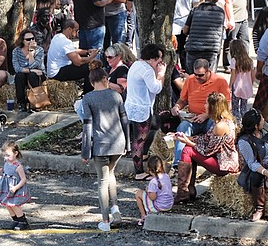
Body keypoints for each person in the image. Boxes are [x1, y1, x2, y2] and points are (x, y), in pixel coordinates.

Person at [81, 60, 130, 232]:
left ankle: (105, 220)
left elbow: (87, 126)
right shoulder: (116, 96)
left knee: (102, 181)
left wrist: (85, 151)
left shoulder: (87, 99)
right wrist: (128, 143)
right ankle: (115, 208)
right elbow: (125, 121)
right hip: (118, 142)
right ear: (105, 78)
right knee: (111, 175)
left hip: (101, 145)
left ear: (91, 81)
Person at [175, 92, 239, 203]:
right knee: (189, 150)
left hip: (223, 164)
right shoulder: (220, 121)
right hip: (218, 158)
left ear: (213, 107)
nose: (204, 106)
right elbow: (205, 139)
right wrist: (187, 137)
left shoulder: (220, 126)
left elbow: (207, 151)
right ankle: (188, 190)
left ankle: (183, 193)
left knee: (188, 150)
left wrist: (188, 142)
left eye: (206, 103)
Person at [170, 59, 231, 168]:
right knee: (182, 128)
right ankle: (178, 164)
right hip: (193, 118)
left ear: (208, 71)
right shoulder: (190, 80)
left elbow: (227, 106)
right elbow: (183, 99)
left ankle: (211, 160)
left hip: (211, 118)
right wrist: (177, 107)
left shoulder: (220, 81)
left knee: (215, 127)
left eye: (200, 75)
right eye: (195, 74)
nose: (197, 78)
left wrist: (207, 115)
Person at [124, 44, 166, 179]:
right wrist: (161, 75)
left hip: (133, 105)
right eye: (159, 59)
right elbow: (156, 88)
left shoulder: (136, 65)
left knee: (154, 126)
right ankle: (139, 172)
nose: (160, 62)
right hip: (141, 108)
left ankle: (144, 153)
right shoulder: (147, 70)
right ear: (152, 59)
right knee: (139, 140)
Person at [0, 141, 31, 230]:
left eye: (8, 155)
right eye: (4, 155)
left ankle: (23, 222)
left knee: (14, 205)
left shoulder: (18, 166)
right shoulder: (7, 163)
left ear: (16, 153)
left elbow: (23, 179)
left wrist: (15, 187)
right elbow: (5, 170)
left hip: (15, 188)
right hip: (7, 187)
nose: (6, 158)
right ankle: (15, 220)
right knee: (7, 204)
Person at [46, 20, 97, 93]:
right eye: (76, 30)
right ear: (69, 29)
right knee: (89, 67)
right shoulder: (66, 42)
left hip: (53, 71)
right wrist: (91, 57)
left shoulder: (57, 36)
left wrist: (86, 52)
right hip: (57, 73)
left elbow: (72, 51)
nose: (76, 34)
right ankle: (88, 93)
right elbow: (78, 62)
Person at [220, 0, 253, 72]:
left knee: (244, 40)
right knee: (231, 41)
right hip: (234, 16)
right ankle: (228, 64)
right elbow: (227, 0)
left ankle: (244, 61)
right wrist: (230, 19)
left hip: (243, 16)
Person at [183, 0, 226, 74]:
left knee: (192, 76)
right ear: (217, 0)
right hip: (211, 49)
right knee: (210, 76)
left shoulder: (195, 10)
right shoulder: (220, 12)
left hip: (194, 48)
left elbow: (185, 30)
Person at [12, 29, 46, 112]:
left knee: (32, 76)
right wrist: (31, 70)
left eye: (32, 38)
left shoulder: (39, 50)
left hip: (38, 74)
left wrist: (31, 52)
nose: (31, 41)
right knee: (19, 76)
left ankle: (34, 104)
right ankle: (22, 103)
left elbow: (35, 65)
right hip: (28, 73)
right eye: (28, 39)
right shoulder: (16, 51)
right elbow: (17, 68)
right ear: (22, 41)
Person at [173, 0, 200, 70]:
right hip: (185, 21)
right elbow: (195, 4)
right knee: (183, 49)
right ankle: (185, 71)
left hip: (175, 22)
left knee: (174, 50)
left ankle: (175, 71)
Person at [135, 156, 174, 226]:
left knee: (138, 194)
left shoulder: (153, 181)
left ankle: (143, 215)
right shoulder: (166, 176)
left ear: (149, 169)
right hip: (169, 205)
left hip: (159, 207)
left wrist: (147, 191)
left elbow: (153, 197)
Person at [229, 39, 255, 121]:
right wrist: (251, 83)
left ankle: (237, 122)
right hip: (246, 87)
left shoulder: (234, 61)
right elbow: (253, 75)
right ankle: (244, 121)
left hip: (237, 86)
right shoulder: (250, 61)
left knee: (235, 107)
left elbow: (233, 76)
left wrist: (229, 86)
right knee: (244, 106)